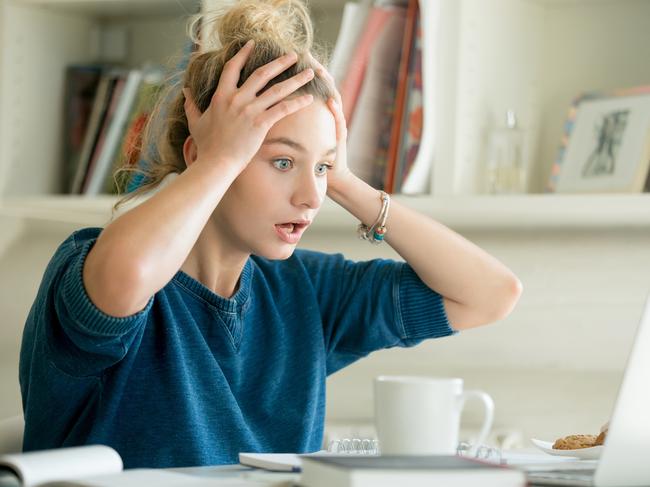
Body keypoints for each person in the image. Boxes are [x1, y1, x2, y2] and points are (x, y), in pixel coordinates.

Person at [19, 0, 522, 469]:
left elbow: (491, 294)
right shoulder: (88, 262)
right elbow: (129, 277)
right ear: (203, 156)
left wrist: (345, 182)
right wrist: (221, 159)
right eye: (281, 161)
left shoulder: (306, 290)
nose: (311, 197)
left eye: (321, 168)